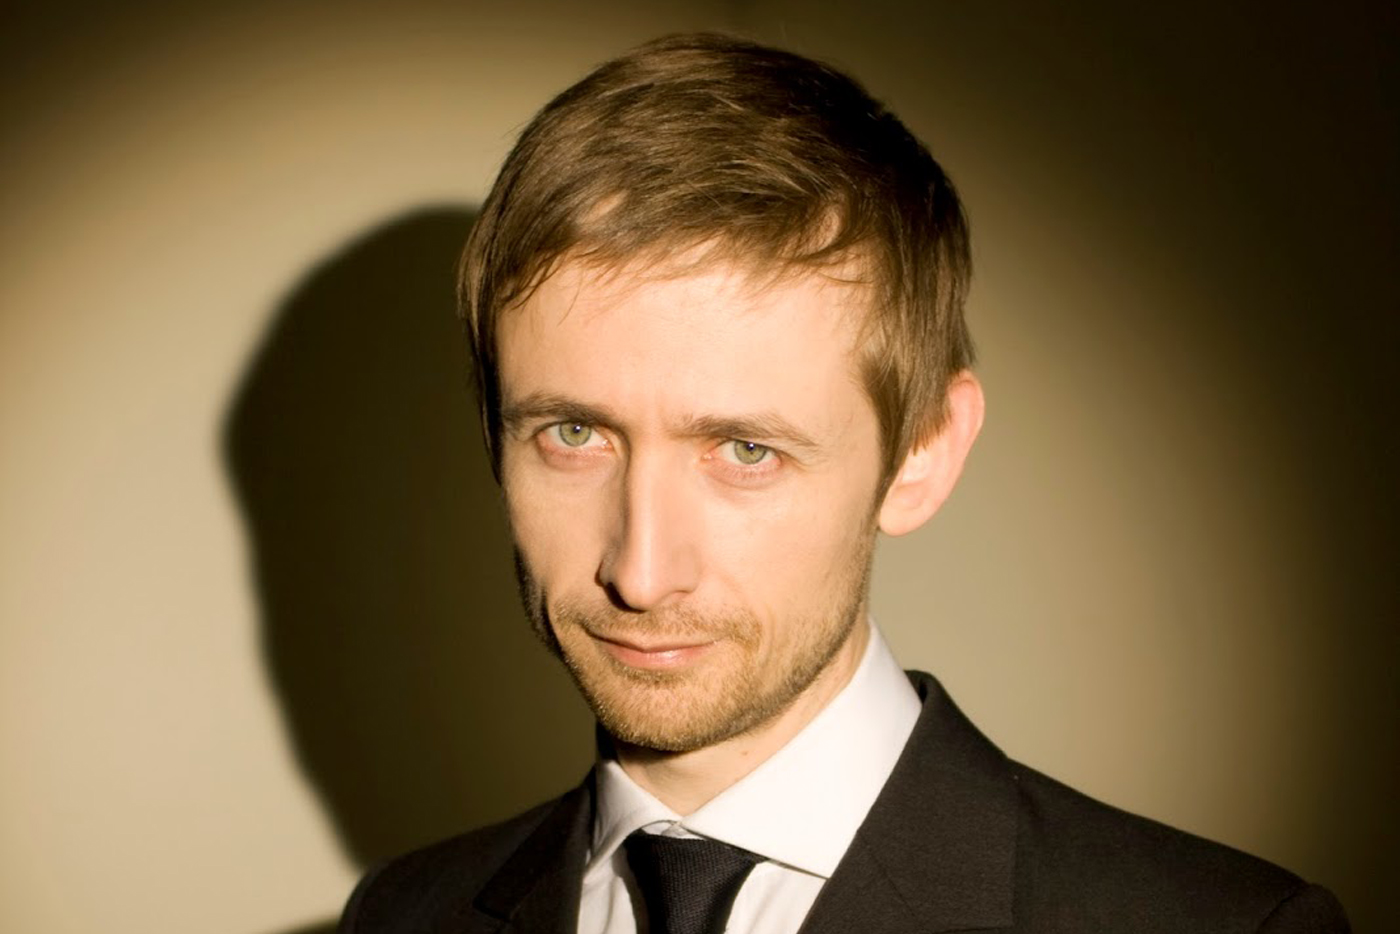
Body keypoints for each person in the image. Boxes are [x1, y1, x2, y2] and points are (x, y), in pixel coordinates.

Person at [338, 32, 1348, 934]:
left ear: (923, 452)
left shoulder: (1224, 925)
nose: (640, 574)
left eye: (745, 451)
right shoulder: (401, 915)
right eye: (573, 434)